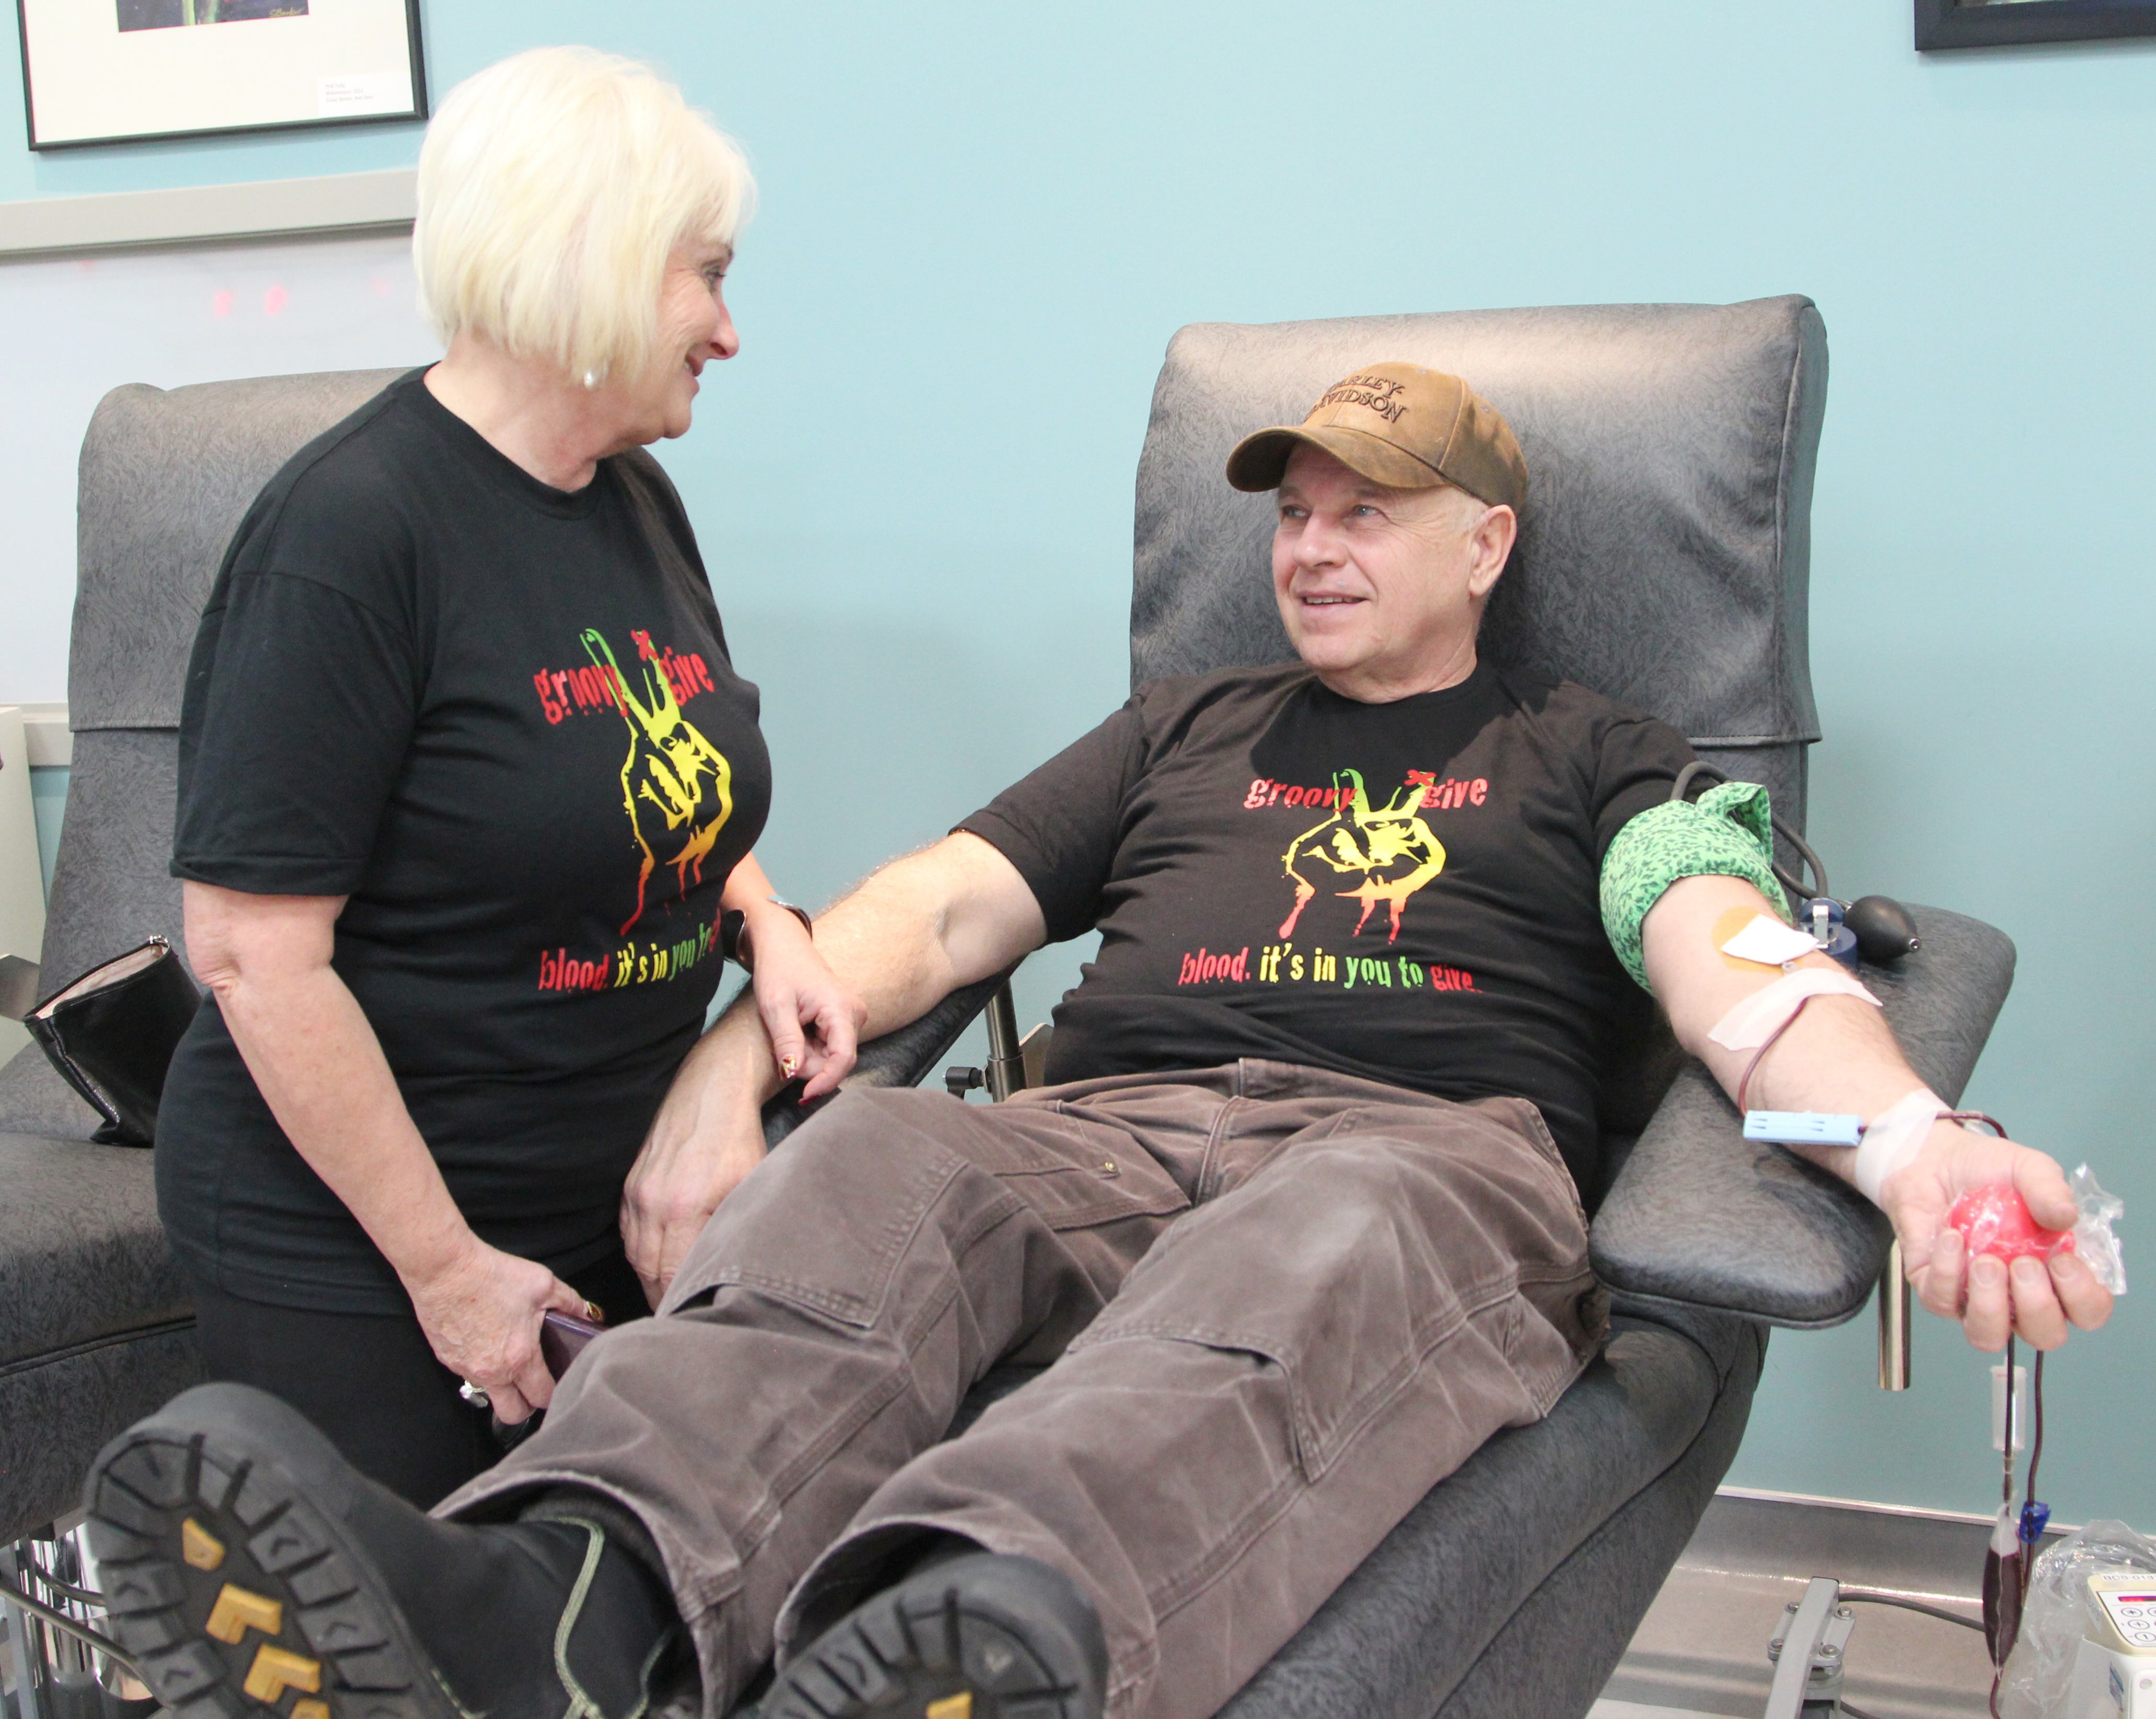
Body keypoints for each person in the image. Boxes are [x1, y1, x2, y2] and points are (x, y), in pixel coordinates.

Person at [97, 365, 2111, 1719]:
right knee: (878, 1170)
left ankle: (960, 1640)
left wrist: (1920, 1151)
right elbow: (941, 907)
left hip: (1412, 1155)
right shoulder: (1186, 731)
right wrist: (734, 1054)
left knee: (1289, 1256)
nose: (1308, 549)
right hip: (1100, 1123)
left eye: (1370, 515)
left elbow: (1727, 962)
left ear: (1488, 545)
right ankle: (554, 1601)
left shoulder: (1597, 753)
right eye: (1291, 512)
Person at [152, 47, 862, 1509]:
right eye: (706, 276)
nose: (728, 332)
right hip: (372, 1249)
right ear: (593, 263)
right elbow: (251, 955)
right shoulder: (349, 535)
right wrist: (448, 1271)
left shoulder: (632, 500)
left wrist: (767, 921)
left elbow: (646, 781)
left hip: (608, 1209)